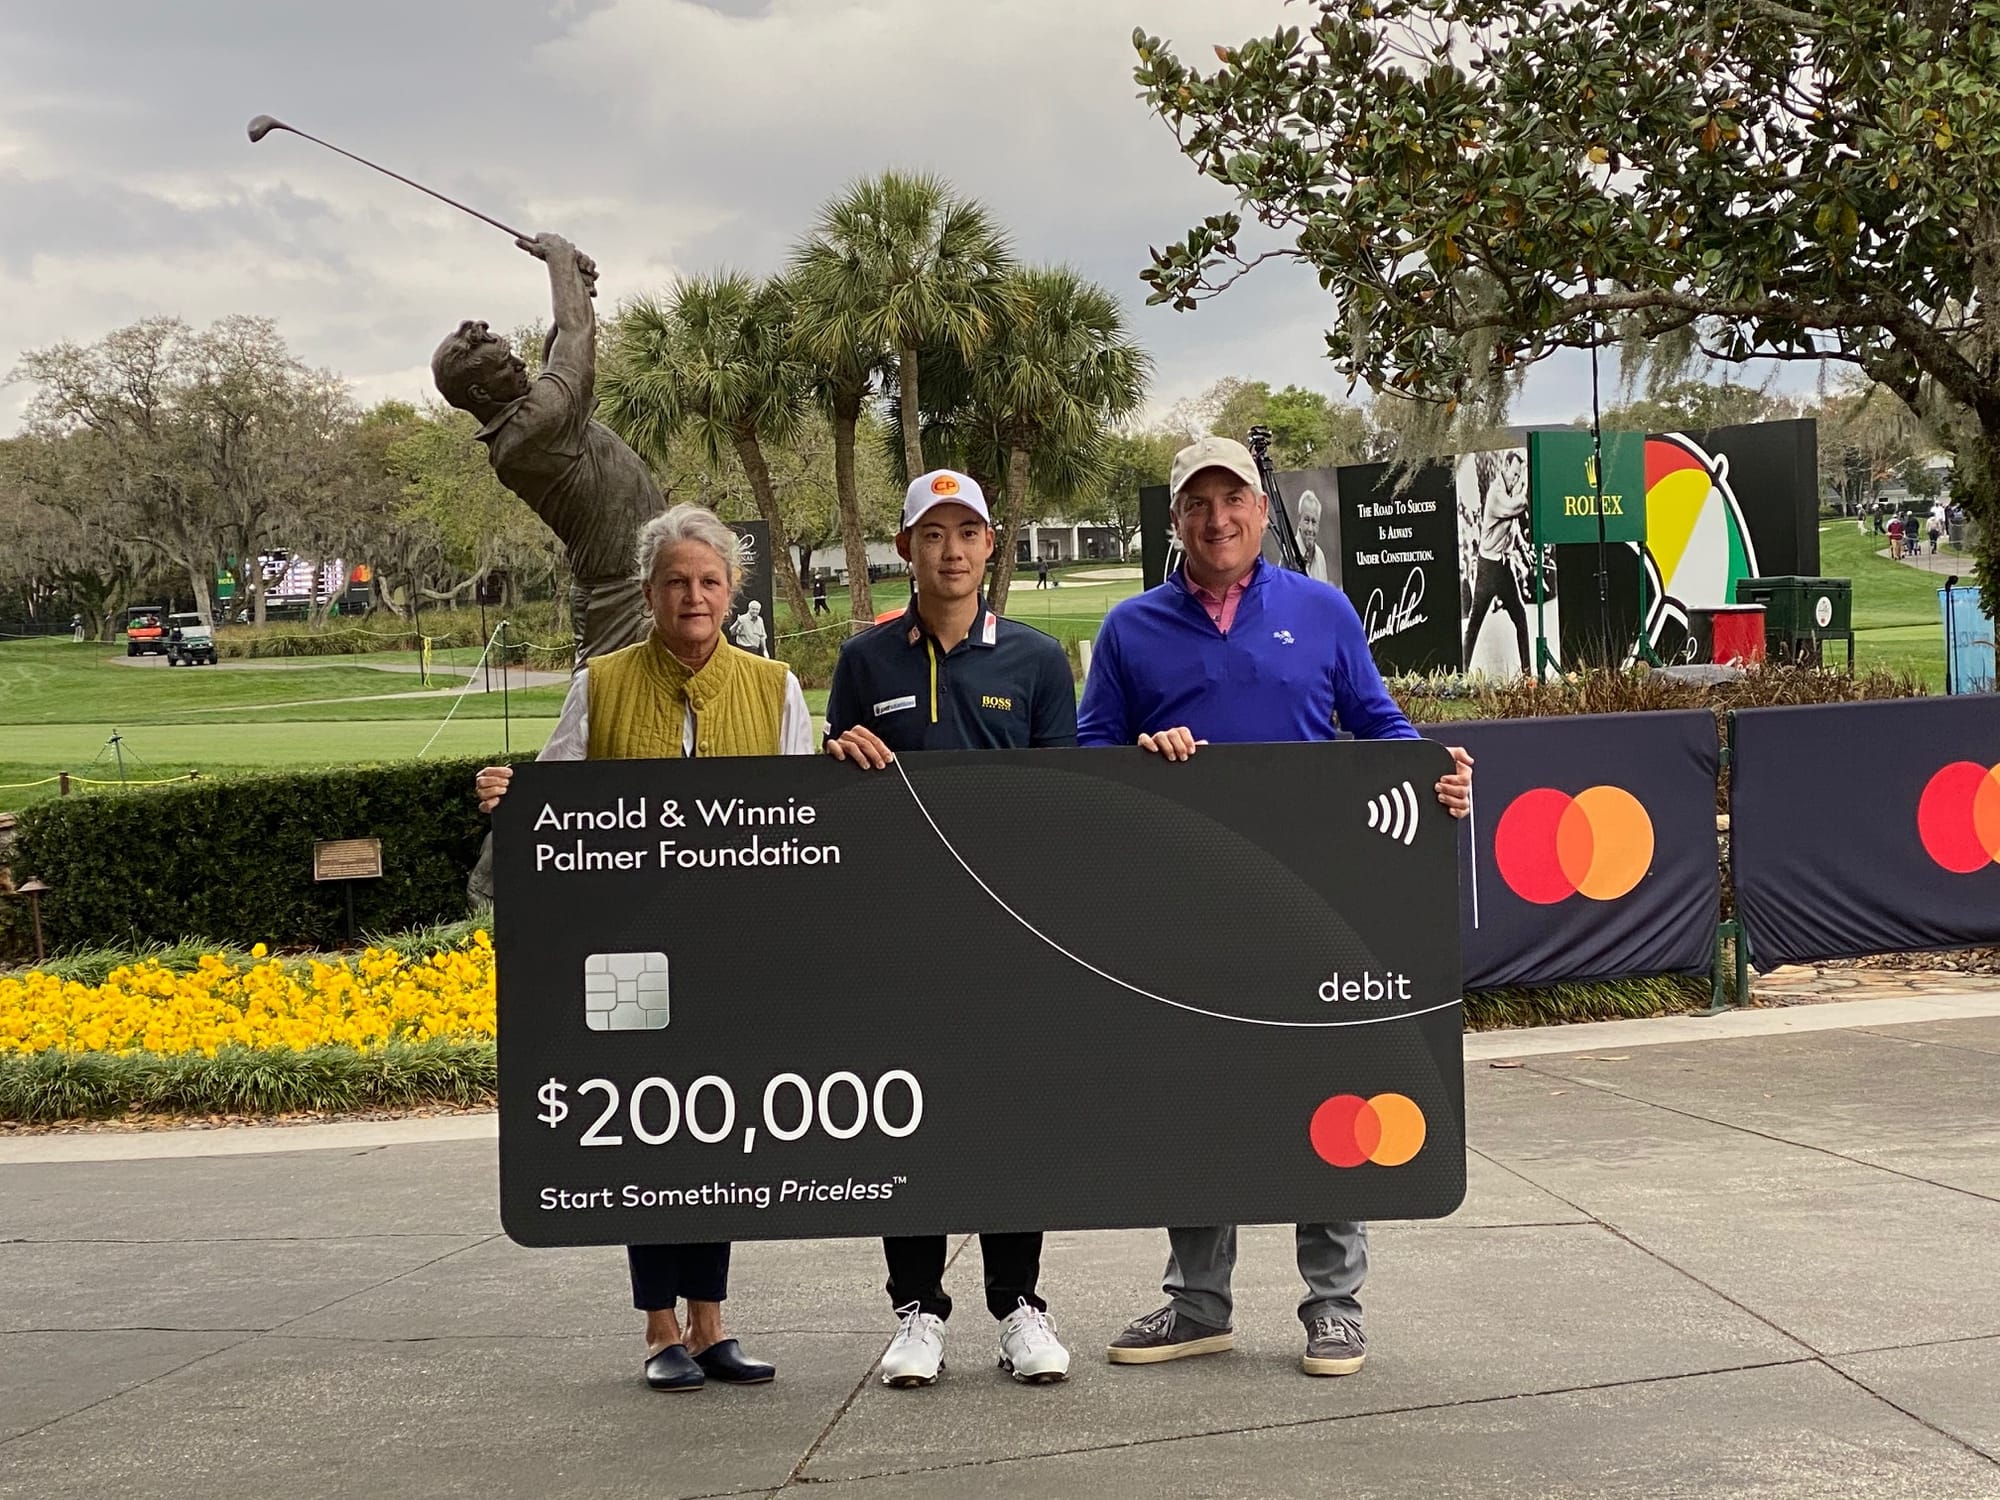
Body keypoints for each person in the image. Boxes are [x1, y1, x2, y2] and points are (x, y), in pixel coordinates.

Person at [1077, 435, 1472, 1379]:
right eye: (1198, 505)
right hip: (1187, 905)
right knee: (1201, 1095)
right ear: (1175, 521)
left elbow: (1378, 726)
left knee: (1325, 1088)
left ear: (1262, 512)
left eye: (1234, 501)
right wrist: (1139, 751)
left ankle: (1334, 1307)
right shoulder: (1132, 627)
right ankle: (1198, 1304)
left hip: (1311, 901)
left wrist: (1437, 775)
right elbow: (1087, 751)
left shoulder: (1321, 611)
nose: (1218, 520)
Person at [474, 504, 809, 1394]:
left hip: (734, 949)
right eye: (675, 582)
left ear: (731, 590)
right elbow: (554, 802)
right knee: (648, 1128)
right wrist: (513, 793)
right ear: (649, 591)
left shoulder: (775, 686)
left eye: (708, 581)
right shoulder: (604, 682)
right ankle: (659, 1327)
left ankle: (713, 1322)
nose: (692, 597)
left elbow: (812, 825)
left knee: (719, 1127)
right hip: (629, 956)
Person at [824, 468, 1079, 1389]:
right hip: (904, 933)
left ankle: (1017, 1305)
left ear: (990, 546)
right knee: (910, 1115)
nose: (953, 550)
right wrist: (835, 751)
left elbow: (1065, 804)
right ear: (906, 551)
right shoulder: (865, 661)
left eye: (968, 532)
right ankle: (918, 1311)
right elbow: (835, 803)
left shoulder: (1039, 660)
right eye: (934, 534)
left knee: (1011, 1115)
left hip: (1009, 932)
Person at [432, 232, 659, 669]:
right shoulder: (530, 434)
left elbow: (559, 349)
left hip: (634, 584)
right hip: (619, 594)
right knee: (603, 715)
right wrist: (558, 259)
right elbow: (574, 337)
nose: (519, 366)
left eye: (511, 355)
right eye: (505, 366)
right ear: (481, 392)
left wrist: (575, 283)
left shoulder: (532, 418)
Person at [1463, 448, 1532, 672]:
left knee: (1520, 619)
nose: (1516, 480)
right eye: (1514, 475)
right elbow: (1515, 509)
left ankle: (1528, 674)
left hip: (1503, 568)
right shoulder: (1496, 493)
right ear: (1504, 469)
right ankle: (1461, 673)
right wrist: (1528, 486)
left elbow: (1512, 530)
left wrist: (1524, 552)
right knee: (1474, 624)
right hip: (1488, 568)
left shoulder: (1509, 490)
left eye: (1519, 476)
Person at [1295, 490, 1331, 582]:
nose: (1310, 528)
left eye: (1314, 522)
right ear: (1299, 521)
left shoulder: (1320, 556)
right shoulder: (1289, 553)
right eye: (1307, 520)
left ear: (1318, 526)